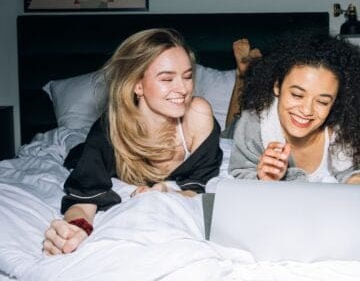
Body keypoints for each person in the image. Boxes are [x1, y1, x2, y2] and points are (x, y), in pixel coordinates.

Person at [43, 28, 222, 256]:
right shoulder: (110, 129)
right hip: (84, 154)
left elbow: (199, 185)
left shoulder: (199, 114)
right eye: (167, 78)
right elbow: (84, 196)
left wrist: (167, 191)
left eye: (187, 76)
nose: (183, 89)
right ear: (138, 85)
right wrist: (76, 229)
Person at [229, 34, 360, 183]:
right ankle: (242, 73)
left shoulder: (346, 128)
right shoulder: (253, 123)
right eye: (297, 95)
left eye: (322, 102)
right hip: (243, 122)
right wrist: (263, 179)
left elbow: (354, 169)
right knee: (231, 127)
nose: (306, 111)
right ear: (277, 86)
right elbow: (240, 174)